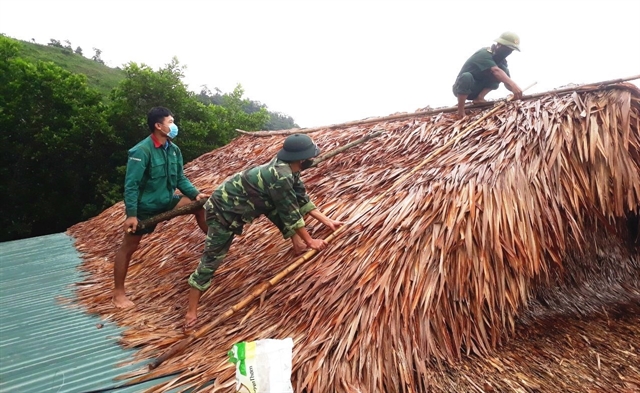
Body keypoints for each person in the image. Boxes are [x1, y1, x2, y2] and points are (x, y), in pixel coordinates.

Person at [184, 134, 344, 328]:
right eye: (309, 157)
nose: (311, 160)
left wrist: (328, 221)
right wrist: (311, 241)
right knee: (212, 259)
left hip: (258, 201)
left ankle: (297, 244)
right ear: (301, 158)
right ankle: (191, 312)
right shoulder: (280, 176)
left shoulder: (291, 169)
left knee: (279, 210)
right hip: (223, 211)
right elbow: (291, 212)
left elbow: (302, 199)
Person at [113, 106, 208, 309]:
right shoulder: (142, 151)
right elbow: (131, 185)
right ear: (158, 125)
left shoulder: (173, 150)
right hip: (146, 208)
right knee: (128, 248)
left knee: (200, 205)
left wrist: (195, 194)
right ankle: (118, 293)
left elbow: (180, 178)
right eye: (170, 122)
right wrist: (131, 214)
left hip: (167, 200)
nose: (174, 126)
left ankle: (215, 242)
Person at [452, 32, 524, 118]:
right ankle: (460, 110)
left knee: (503, 72)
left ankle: (479, 98)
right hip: (462, 87)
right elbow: (495, 71)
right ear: (499, 45)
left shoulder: (502, 62)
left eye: (511, 50)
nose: (509, 52)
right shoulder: (484, 53)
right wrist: (513, 84)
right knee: (467, 76)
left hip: (478, 88)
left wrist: (515, 91)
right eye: (507, 49)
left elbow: (506, 81)